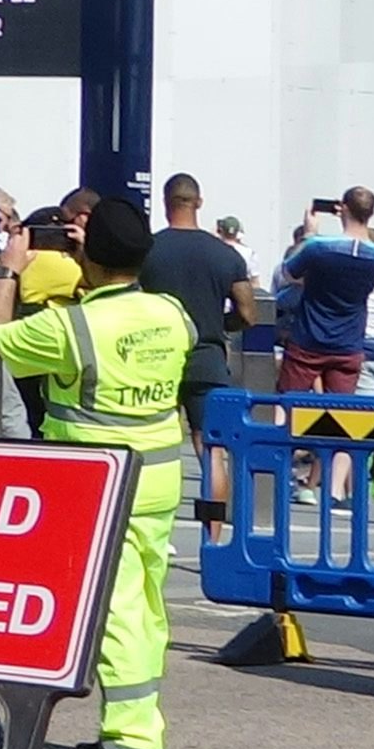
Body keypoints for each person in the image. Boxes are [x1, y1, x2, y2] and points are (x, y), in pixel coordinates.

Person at [0, 188, 189, 749]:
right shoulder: (170, 313)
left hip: (100, 485)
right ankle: (136, 725)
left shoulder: (74, 327)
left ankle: (131, 739)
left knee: (117, 609)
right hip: (158, 478)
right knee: (145, 606)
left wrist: (9, 270)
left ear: (87, 256)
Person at [132, 167, 259, 534]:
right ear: (198, 203)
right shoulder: (224, 254)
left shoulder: (149, 250)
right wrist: (220, 327)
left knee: (151, 444)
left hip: (156, 357)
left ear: (165, 203)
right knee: (211, 449)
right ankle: (213, 536)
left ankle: (150, 530)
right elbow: (248, 313)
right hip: (207, 357)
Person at [274, 195, 374, 397]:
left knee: (288, 402)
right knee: (341, 409)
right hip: (348, 342)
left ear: (343, 209)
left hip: (308, 338)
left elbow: (288, 274)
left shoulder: (317, 246)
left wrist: (309, 233)